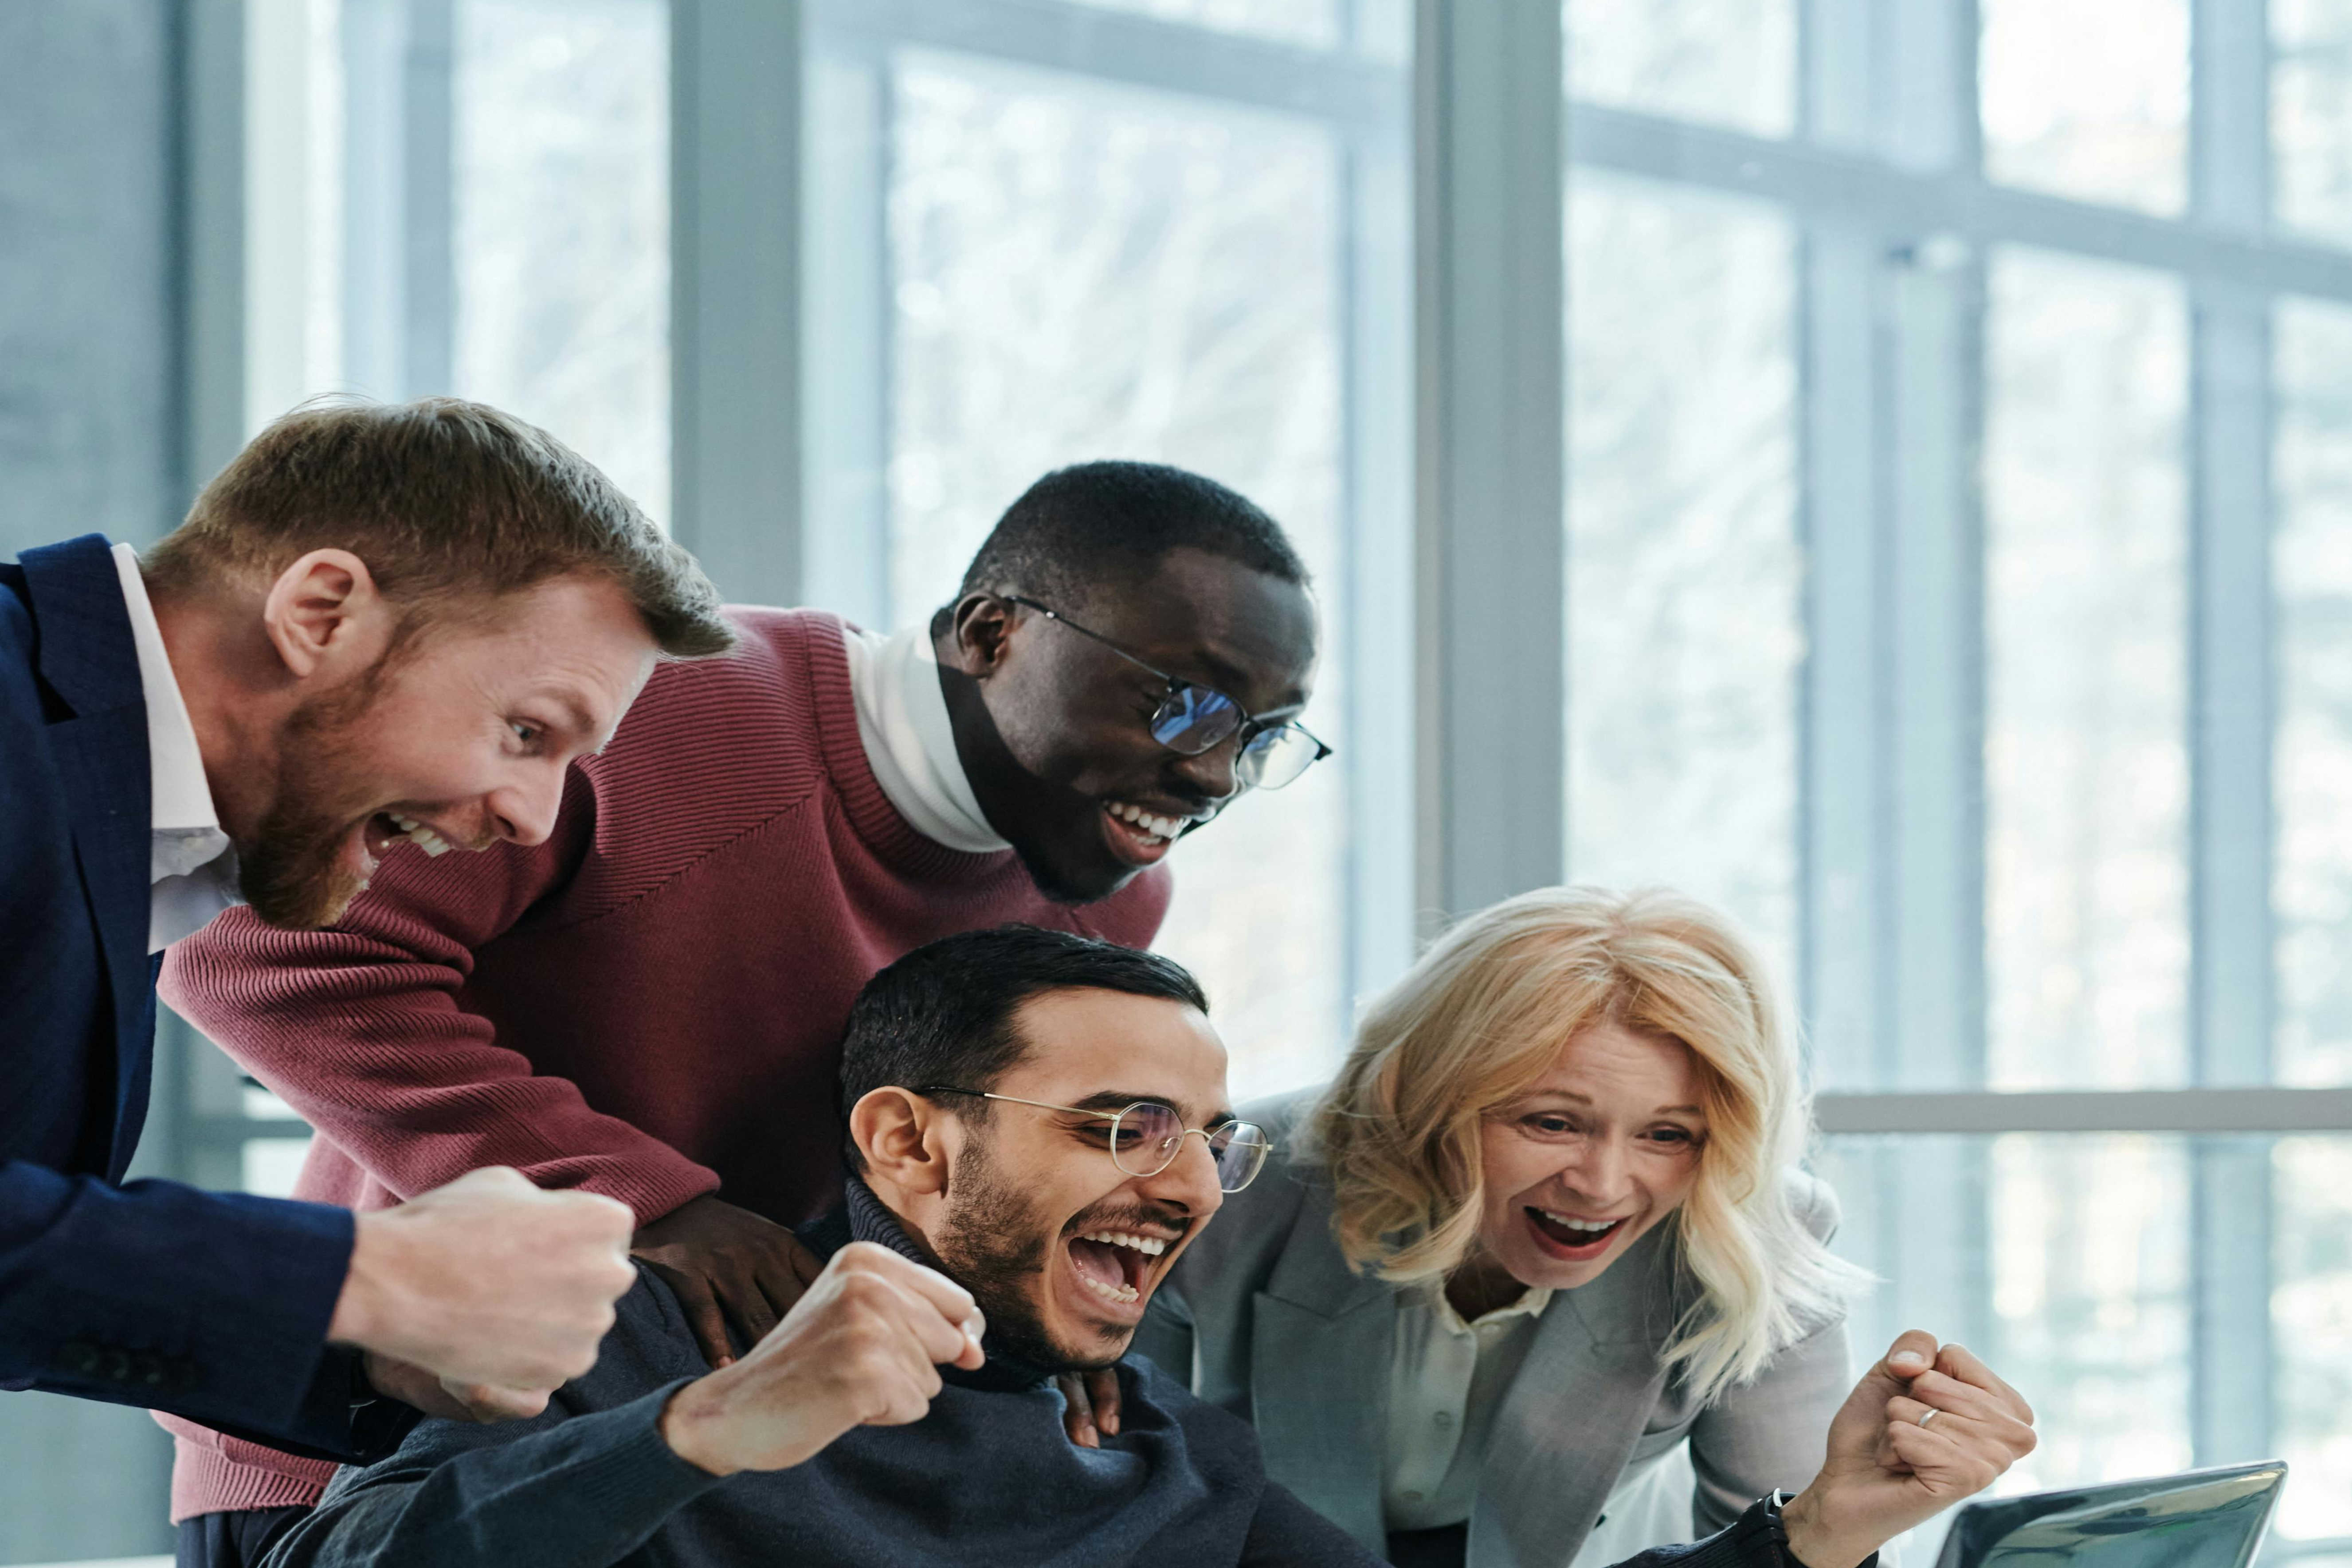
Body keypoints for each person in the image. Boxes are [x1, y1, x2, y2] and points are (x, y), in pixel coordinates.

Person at [158, 461, 1330, 1558]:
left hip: (765, 1447)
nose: (1216, 773)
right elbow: (253, 954)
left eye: (1261, 737)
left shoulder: (1112, 897)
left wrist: (1043, 1317)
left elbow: (964, 1174)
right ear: (990, 634)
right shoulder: (657, 712)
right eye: (1183, 705)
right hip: (405, 1428)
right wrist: (645, 1198)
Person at [258, 925, 2034, 1568]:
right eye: (1121, 1126)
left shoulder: (1180, 1463)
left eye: (1204, 1134)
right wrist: (702, 1432)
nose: (1190, 1186)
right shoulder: (658, 1340)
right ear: (908, 1143)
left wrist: (1815, 1532)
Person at [0, 398, 732, 1500]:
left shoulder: (127, 820)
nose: (533, 817)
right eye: (526, 732)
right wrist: (361, 1276)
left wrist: (372, 1350)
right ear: (322, 612)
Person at [1125, 886, 1894, 1568]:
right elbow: (1127, 1485)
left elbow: (1797, 1540)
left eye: (1667, 1135)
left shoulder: (1759, 1229)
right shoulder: (1235, 1180)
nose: (1601, 1186)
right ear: (1429, 1098)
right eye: (1553, 1122)